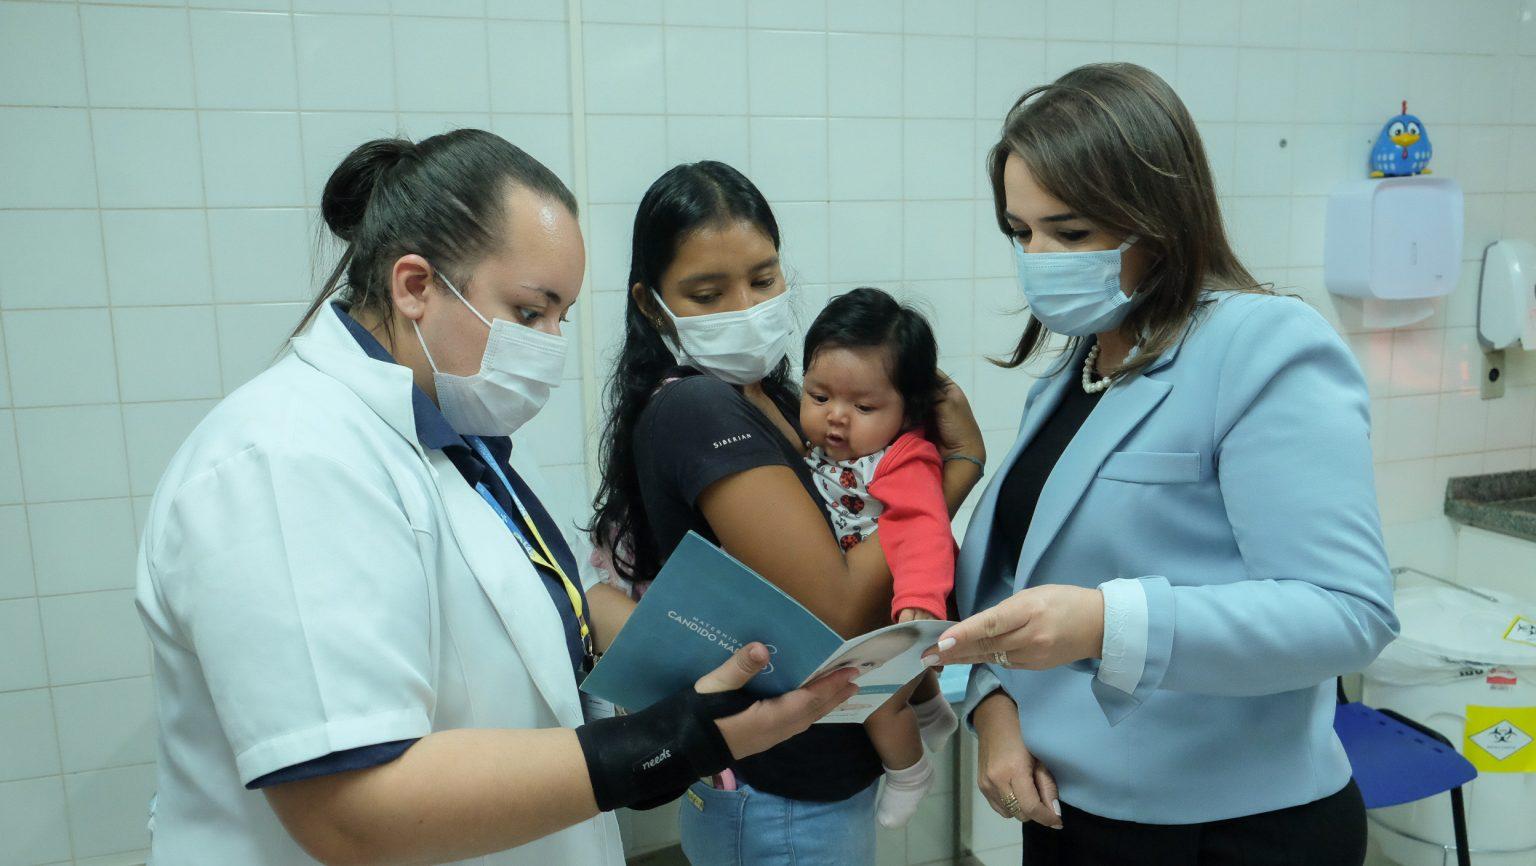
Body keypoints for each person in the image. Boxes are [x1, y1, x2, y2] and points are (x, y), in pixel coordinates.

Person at [132, 130, 862, 866]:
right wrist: (669, 742)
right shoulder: (285, 461)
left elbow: (553, 603)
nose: (549, 344)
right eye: (529, 312)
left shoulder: (463, 429)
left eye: (561, 316)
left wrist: (717, 670)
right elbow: (352, 811)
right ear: (414, 286)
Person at [923, 64, 1400, 865]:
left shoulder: (1262, 345)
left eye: (1070, 233)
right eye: (1021, 232)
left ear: (1159, 217)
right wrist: (996, 714)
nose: (1038, 258)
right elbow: (1012, 575)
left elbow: (1346, 613)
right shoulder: (1074, 371)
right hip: (1071, 814)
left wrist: (1104, 622)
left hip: (1232, 833)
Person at [589, 161, 987, 865]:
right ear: (652, 305)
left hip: (807, 776)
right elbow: (836, 605)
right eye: (707, 293)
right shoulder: (699, 407)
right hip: (781, 797)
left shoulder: (767, 393)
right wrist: (954, 471)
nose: (744, 308)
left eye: (763, 279)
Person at [799, 288, 962, 828]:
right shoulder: (818, 450)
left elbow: (924, 530)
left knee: (876, 700)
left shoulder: (903, 459)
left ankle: (909, 770)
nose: (836, 418)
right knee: (908, 677)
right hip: (869, 598)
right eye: (819, 396)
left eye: (864, 407)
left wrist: (920, 599)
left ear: (908, 410)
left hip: (905, 597)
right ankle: (933, 712)